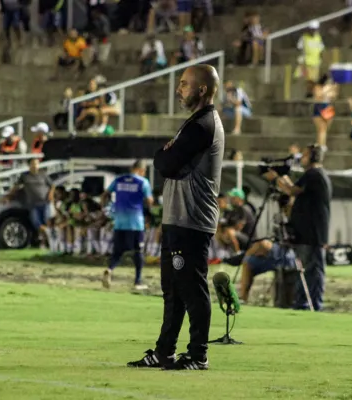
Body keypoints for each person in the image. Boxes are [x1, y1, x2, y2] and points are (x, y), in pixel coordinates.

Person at [127, 64, 224, 371]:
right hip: (178, 218)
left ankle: (198, 354)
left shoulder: (202, 125)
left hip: (191, 219)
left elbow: (166, 164)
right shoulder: (195, 122)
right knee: (173, 290)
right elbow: (168, 159)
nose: (179, 90)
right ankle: (164, 351)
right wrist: (166, 154)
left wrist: (163, 154)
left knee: (192, 289)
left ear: (202, 90)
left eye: (184, 84)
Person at [264, 144, 331, 311]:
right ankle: (304, 302)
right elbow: (294, 189)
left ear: (313, 157)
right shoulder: (313, 175)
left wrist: (277, 177)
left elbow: (291, 190)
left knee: (311, 270)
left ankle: (309, 303)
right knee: (308, 269)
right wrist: (282, 175)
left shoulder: (314, 174)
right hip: (309, 233)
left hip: (311, 233)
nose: (302, 158)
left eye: (305, 155)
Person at [101, 160, 154, 290]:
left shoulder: (119, 180)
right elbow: (149, 201)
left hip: (119, 221)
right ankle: (137, 281)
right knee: (138, 251)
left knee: (118, 251)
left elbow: (105, 195)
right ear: (142, 170)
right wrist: (150, 209)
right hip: (135, 222)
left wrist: (105, 209)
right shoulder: (143, 182)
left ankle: (110, 269)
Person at [1, 158, 55, 247]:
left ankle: (47, 242)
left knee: (47, 221)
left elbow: (52, 185)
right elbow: (16, 187)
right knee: (37, 223)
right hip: (32, 204)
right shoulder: (25, 176)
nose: (35, 166)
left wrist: (51, 195)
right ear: (29, 165)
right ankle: (47, 239)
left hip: (45, 202)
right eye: (33, 164)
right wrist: (8, 196)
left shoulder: (43, 174)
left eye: (37, 164)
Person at [311, 74, 338, 152]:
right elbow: (318, 96)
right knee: (321, 128)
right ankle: (321, 145)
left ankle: (322, 144)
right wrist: (326, 92)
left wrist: (334, 89)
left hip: (327, 106)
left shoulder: (330, 87)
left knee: (325, 128)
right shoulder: (318, 87)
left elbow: (333, 96)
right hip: (319, 106)